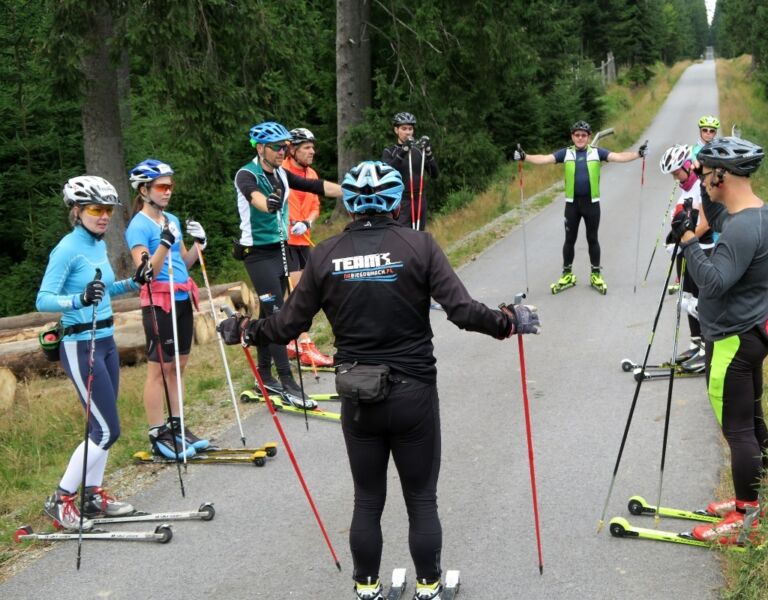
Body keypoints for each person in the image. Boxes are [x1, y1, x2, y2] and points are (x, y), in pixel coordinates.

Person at [217, 160, 540, 600]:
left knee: (367, 499)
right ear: (395, 200)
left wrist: (247, 329)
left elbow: (287, 325)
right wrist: (508, 322)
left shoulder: (325, 254)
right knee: (421, 498)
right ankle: (428, 585)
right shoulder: (419, 245)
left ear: (350, 203)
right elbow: (462, 312)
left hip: (358, 394)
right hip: (413, 394)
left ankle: (366, 587)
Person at [670, 136, 768, 545]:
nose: (702, 177)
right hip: (752, 331)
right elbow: (716, 215)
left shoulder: (742, 229)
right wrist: (698, 186)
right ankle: (757, 500)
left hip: (733, 340)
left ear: (723, 174)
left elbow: (713, 283)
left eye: (706, 171)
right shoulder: (758, 214)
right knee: (751, 421)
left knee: (737, 431)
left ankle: (746, 518)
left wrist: (687, 243)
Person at [37, 176, 152, 529]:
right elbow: (42, 299)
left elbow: (104, 290)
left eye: (107, 210)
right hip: (79, 343)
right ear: (76, 211)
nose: (103, 216)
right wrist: (78, 299)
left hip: (105, 341)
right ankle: (61, 499)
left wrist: (135, 282)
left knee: (98, 426)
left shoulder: (98, 246)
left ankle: (92, 495)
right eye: (94, 209)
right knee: (106, 430)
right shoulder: (68, 249)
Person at [233, 121, 342, 408]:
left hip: (281, 247)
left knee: (271, 315)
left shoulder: (282, 171)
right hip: (257, 251)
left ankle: (265, 376)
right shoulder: (247, 174)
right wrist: (270, 203)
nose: (284, 151)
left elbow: (315, 185)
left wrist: (353, 191)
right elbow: (256, 199)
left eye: (286, 146)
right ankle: (287, 382)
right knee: (279, 314)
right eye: (278, 147)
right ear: (261, 148)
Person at [125, 158, 209, 459]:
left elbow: (183, 263)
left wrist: (199, 244)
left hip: (182, 296)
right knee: (159, 369)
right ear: (144, 190)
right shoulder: (138, 226)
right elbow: (145, 273)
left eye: (170, 186)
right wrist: (162, 244)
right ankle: (157, 432)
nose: (168, 191)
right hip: (158, 301)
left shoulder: (170, 219)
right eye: (162, 186)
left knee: (179, 366)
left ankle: (177, 425)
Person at [514, 120, 646, 294]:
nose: (580, 138)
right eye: (577, 135)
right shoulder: (566, 153)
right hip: (572, 205)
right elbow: (545, 158)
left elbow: (618, 156)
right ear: (572, 137)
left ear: (589, 137)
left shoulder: (596, 152)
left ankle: (596, 274)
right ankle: (567, 274)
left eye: (583, 135)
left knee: (593, 239)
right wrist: (525, 156)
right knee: (569, 240)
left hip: (591, 204)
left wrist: (638, 153)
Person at [658, 144, 714, 371]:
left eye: (676, 172)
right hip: (686, 251)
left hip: (702, 249)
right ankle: (696, 343)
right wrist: (673, 241)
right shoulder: (685, 188)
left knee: (700, 302)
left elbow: (706, 224)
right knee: (688, 299)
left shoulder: (701, 187)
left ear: (687, 166)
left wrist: (684, 243)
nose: (675, 178)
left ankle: (706, 351)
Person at [282, 127, 332, 368]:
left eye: (313, 147)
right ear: (293, 149)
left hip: (303, 238)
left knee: (301, 290)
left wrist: (307, 222)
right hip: (285, 240)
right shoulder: (282, 171)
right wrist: (291, 222)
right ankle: (303, 343)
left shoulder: (311, 173)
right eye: (307, 147)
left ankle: (289, 341)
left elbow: (315, 206)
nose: (313, 151)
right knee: (298, 290)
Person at [381, 112, 439, 230]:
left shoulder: (418, 151)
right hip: (401, 201)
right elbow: (386, 174)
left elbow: (435, 174)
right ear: (396, 130)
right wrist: (403, 151)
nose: (408, 132)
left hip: (420, 199)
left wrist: (428, 152)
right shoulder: (390, 151)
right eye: (404, 128)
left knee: (419, 235)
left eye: (410, 128)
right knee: (404, 236)